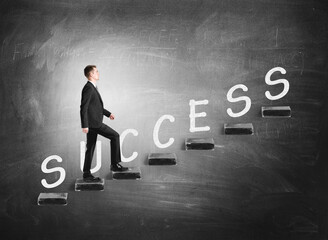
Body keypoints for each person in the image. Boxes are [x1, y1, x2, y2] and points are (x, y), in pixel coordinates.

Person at [80, 65, 128, 182]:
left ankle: (86, 173)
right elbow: (83, 107)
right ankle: (114, 164)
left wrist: (108, 113)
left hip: (93, 123)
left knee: (90, 147)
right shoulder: (89, 88)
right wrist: (84, 125)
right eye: (96, 71)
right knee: (115, 136)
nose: (98, 73)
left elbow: (96, 107)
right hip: (94, 124)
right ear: (91, 74)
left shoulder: (92, 87)